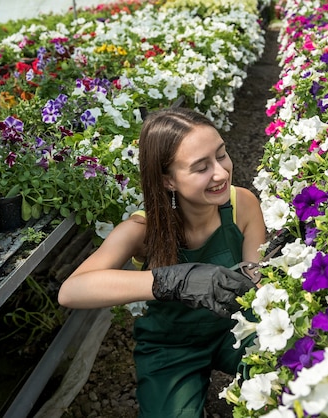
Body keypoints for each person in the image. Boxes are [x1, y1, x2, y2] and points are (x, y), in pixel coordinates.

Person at [57, 107, 267, 417]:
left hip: (233, 329)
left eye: (221, 155)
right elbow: (71, 291)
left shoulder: (242, 204)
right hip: (172, 347)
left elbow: (257, 283)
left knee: (285, 371)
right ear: (168, 180)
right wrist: (174, 280)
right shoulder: (143, 230)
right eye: (201, 167)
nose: (221, 173)